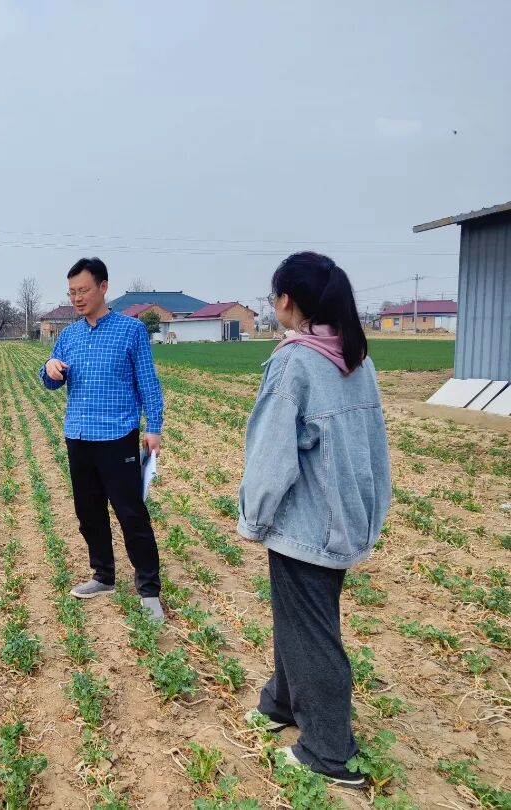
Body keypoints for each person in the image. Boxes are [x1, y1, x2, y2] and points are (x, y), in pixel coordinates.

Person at [237, 252, 391, 788]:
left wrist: (253, 517)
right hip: (344, 516)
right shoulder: (354, 356)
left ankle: (329, 751)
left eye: (273, 295)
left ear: (287, 301)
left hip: (306, 524)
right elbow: (374, 445)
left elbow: (271, 452)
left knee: (312, 631)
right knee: (299, 618)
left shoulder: (296, 362)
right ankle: (282, 702)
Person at [41, 257, 166, 619]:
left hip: (117, 435)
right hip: (78, 435)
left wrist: (154, 427)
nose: (77, 298)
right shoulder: (69, 336)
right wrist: (49, 369)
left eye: (83, 290)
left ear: (103, 287)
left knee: (131, 513)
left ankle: (149, 589)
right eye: (72, 292)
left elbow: (148, 382)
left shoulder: (131, 331)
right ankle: (103, 576)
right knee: (88, 511)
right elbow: (51, 381)